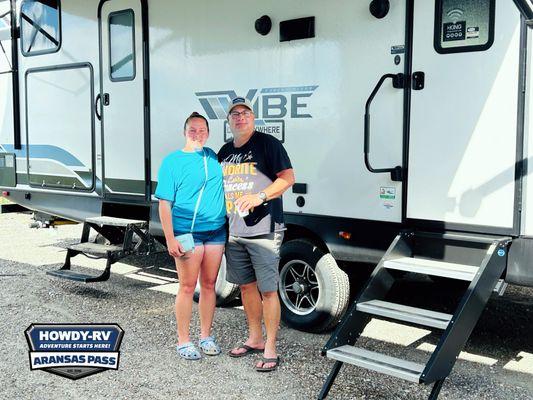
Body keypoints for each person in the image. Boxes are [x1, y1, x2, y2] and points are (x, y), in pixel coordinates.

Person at [218, 97, 295, 372]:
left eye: (245, 112)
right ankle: (255, 338)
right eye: (234, 114)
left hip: (264, 230)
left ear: (253, 117)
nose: (240, 117)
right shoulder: (225, 151)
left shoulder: (268, 144)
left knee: (268, 291)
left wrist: (260, 196)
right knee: (247, 287)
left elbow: (287, 178)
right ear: (228, 121)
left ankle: (271, 346)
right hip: (235, 231)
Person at [156, 112, 227, 360]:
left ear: (208, 133)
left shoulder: (213, 157)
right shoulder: (172, 161)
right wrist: (170, 238)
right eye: (192, 130)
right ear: (184, 132)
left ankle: (206, 336)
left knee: (209, 285)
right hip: (187, 232)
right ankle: (183, 340)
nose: (197, 134)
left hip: (216, 231)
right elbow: (164, 204)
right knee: (187, 287)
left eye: (202, 130)